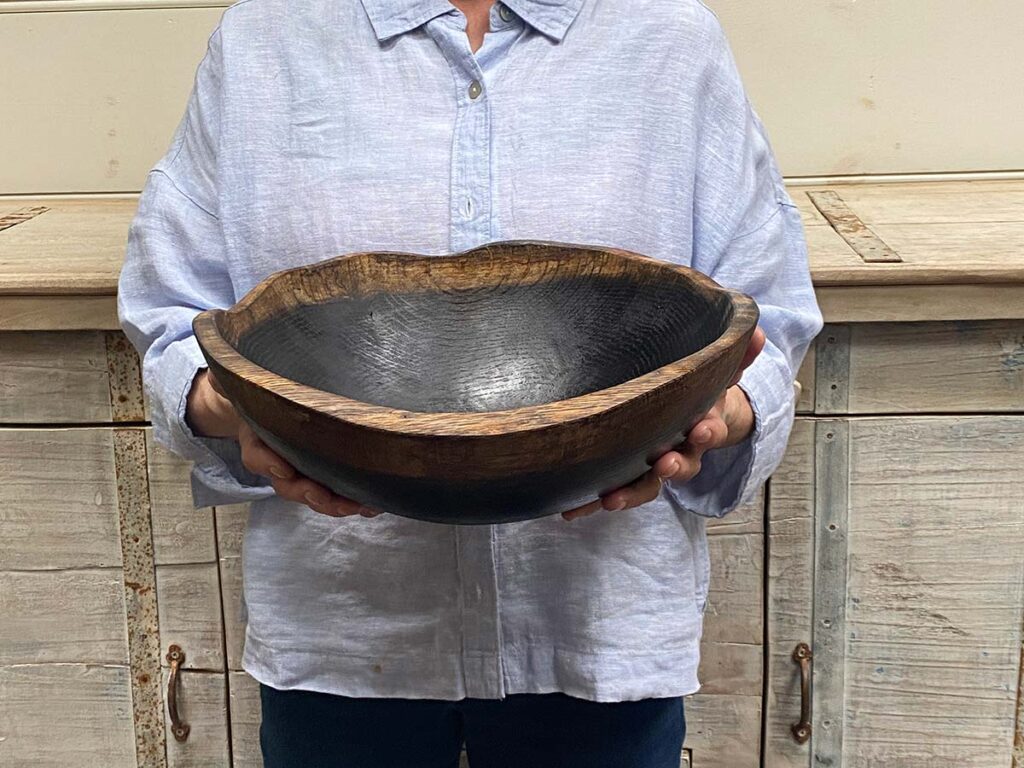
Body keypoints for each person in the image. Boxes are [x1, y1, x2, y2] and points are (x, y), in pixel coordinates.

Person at [118, 0, 823, 765]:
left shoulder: (669, 39)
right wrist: (233, 409)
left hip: (595, 629)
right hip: (344, 636)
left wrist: (721, 413)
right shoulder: (264, 39)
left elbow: (769, 315)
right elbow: (173, 318)